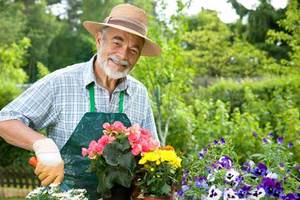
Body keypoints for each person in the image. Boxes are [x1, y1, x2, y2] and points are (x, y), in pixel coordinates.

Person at [0, 3, 161, 199]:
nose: (123, 55)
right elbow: (5, 120)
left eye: (133, 50)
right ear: (99, 39)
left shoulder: (139, 94)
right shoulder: (61, 82)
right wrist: (43, 145)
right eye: (117, 43)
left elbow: (153, 154)